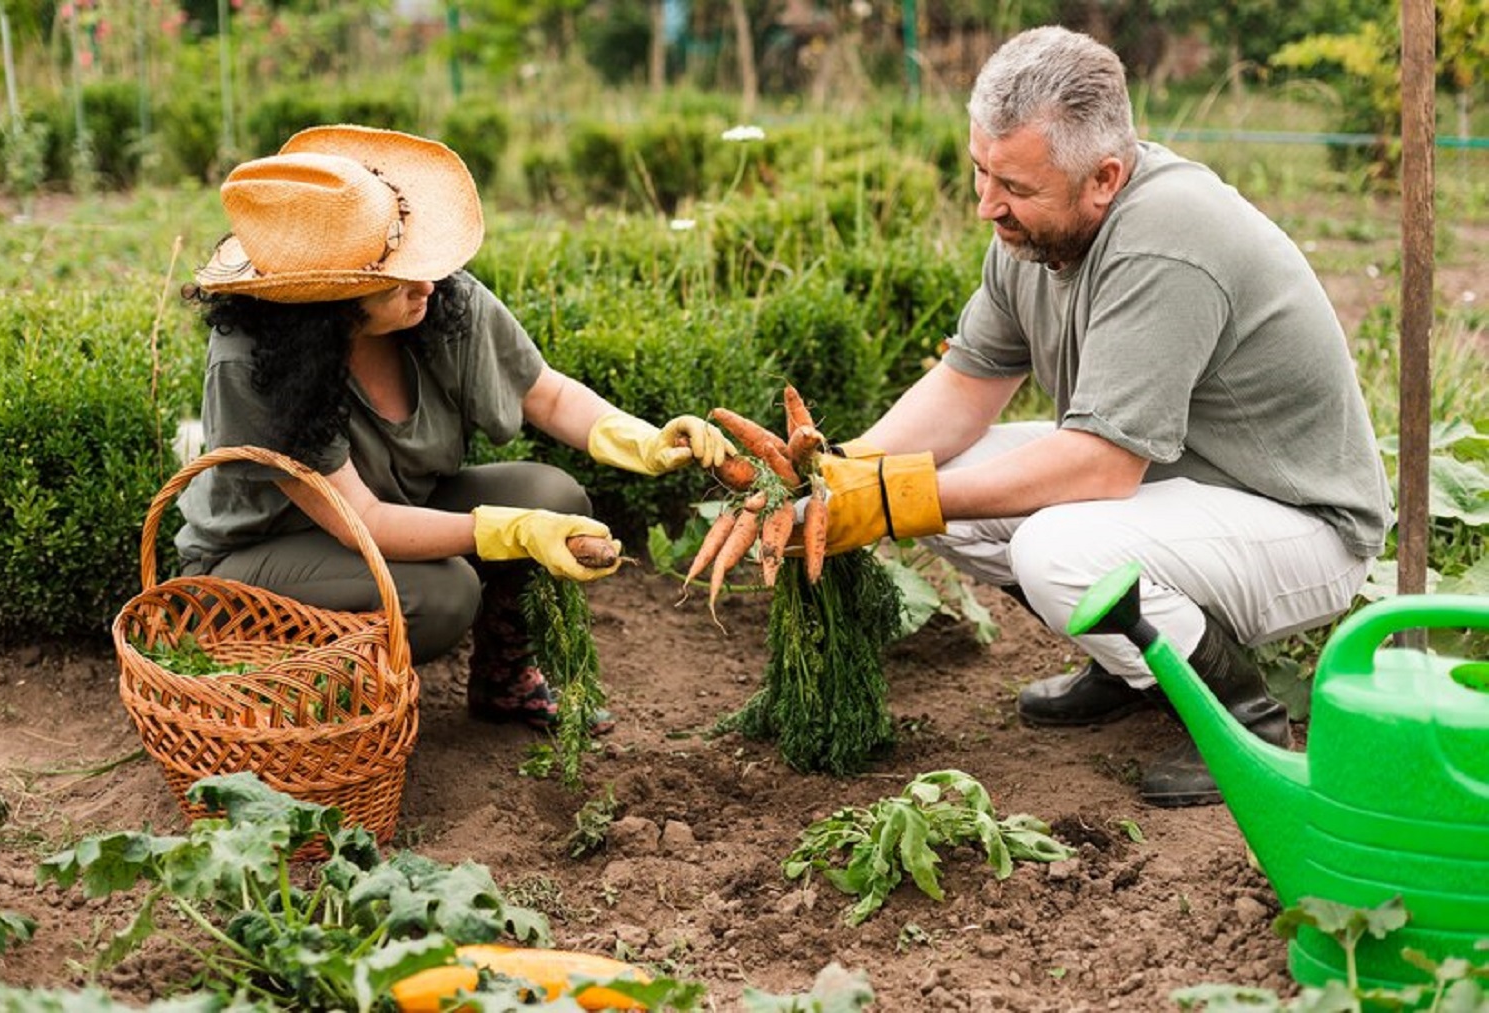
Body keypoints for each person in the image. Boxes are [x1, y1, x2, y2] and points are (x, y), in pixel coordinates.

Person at [803, 26, 1393, 807]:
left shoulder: (1166, 240)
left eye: (1012, 185)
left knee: (1055, 543)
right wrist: (842, 471)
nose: (987, 205)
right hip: (1181, 492)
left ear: (1104, 178)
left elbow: (1101, 466)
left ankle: (1240, 714)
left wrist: (894, 499)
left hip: (1296, 519)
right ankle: (1132, 668)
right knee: (940, 481)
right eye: (980, 171)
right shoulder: (1030, 233)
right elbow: (964, 386)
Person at [177, 124, 733, 732]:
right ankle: (309, 712)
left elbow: (544, 393)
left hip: (393, 515)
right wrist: (512, 532)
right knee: (441, 595)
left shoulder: (438, 297)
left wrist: (645, 442)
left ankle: (503, 684)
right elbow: (365, 521)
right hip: (263, 560)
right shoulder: (254, 361)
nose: (426, 284)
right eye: (392, 283)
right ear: (327, 304)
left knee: (552, 495)